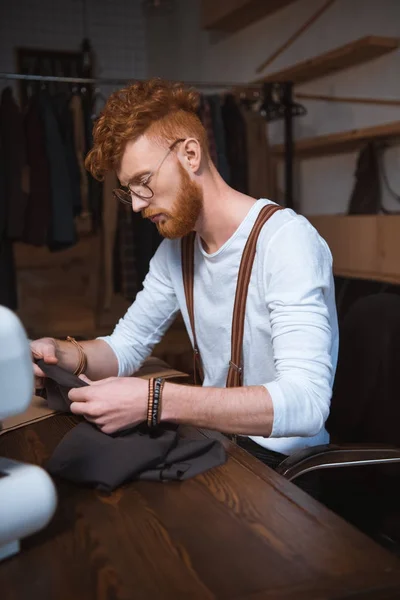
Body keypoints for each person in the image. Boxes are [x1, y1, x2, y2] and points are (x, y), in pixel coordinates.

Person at [31, 78, 339, 470]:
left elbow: (307, 403)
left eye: (143, 182)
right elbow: (125, 347)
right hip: (221, 447)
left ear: (190, 155)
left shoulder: (286, 241)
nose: (138, 205)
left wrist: (154, 401)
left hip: (286, 469)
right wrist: (64, 354)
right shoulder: (175, 252)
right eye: (129, 190)